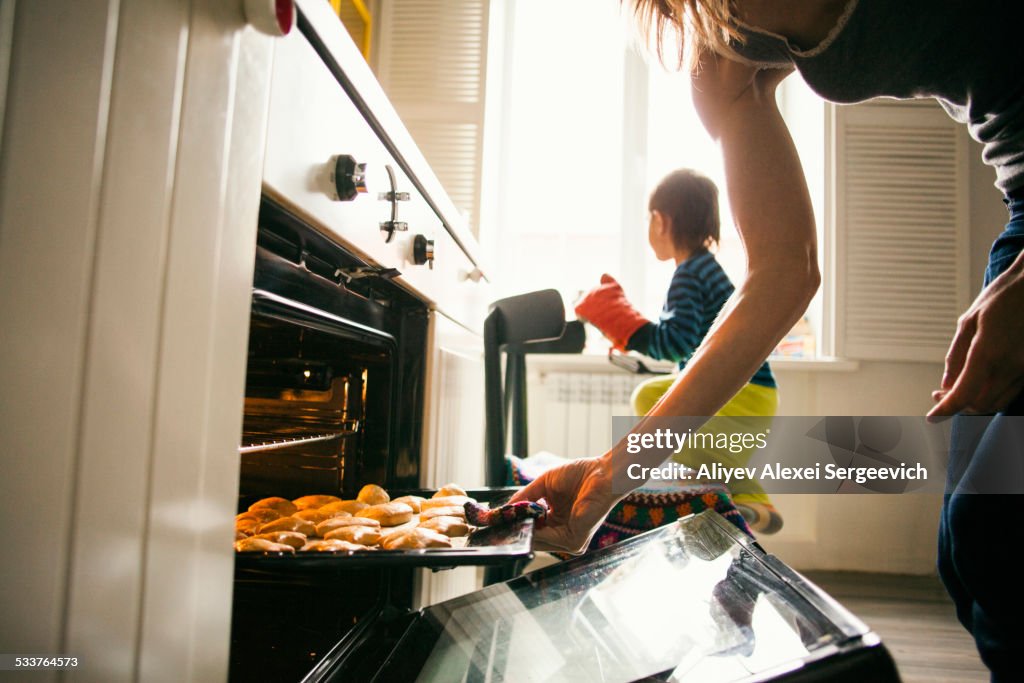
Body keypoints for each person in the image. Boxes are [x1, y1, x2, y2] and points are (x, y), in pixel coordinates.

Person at [510, 1, 1024, 679]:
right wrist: (606, 482)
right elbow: (781, 271)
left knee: (1000, 545)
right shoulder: (723, 48)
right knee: (969, 551)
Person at [574, 168, 783, 533]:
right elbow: (693, 347)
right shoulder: (706, 268)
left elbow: (676, 343)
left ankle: (731, 491)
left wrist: (629, 328)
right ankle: (752, 503)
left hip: (743, 397)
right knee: (667, 403)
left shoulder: (689, 273)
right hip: (755, 396)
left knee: (647, 400)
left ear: (660, 221)